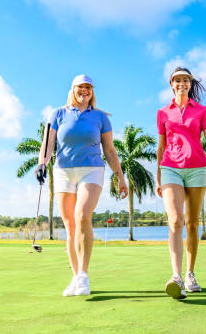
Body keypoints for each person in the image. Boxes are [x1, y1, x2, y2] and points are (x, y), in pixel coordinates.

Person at [36, 74, 128, 296]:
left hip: (92, 169)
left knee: (82, 215)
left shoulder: (100, 117)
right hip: (63, 171)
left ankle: (84, 275)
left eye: (88, 87)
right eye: (80, 87)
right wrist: (41, 164)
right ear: (73, 89)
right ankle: (75, 277)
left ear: (92, 91)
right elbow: (48, 144)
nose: (84, 90)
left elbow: (109, 149)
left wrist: (120, 176)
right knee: (70, 226)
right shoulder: (57, 114)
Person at [156, 67, 206, 300]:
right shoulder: (163, 112)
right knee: (175, 220)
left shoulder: (202, 111)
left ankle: (190, 273)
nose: (182, 83)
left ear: (190, 84)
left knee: (192, 223)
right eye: (177, 80)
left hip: (196, 169)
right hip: (170, 169)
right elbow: (161, 147)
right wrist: (158, 176)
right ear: (171, 84)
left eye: (186, 80)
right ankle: (176, 276)